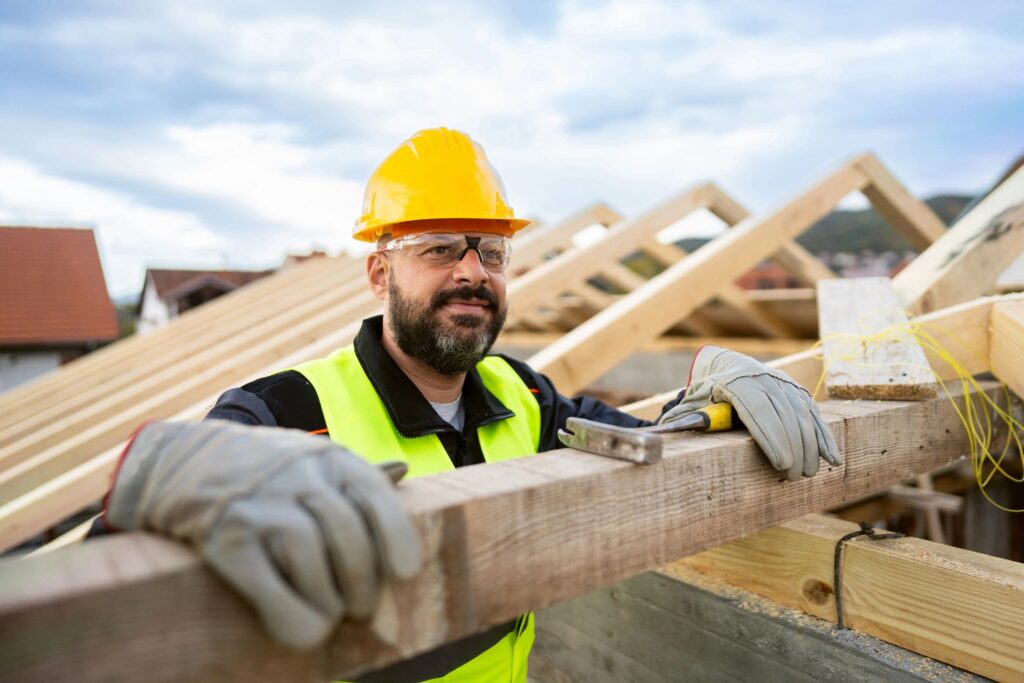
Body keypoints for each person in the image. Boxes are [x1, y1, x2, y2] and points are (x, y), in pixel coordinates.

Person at [102, 127, 841, 682]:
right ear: (377, 270)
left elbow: (648, 444)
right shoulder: (285, 412)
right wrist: (154, 480)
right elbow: (114, 583)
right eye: (439, 249)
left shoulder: (523, 397)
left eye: (491, 252)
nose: (471, 272)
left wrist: (712, 391)